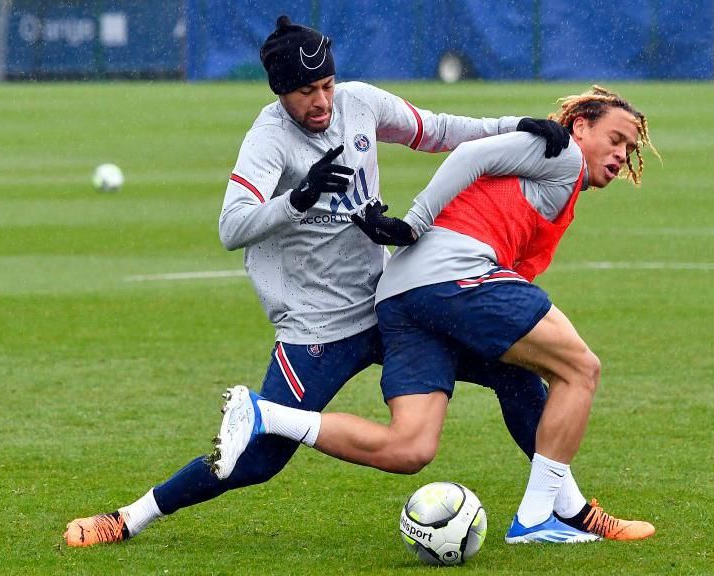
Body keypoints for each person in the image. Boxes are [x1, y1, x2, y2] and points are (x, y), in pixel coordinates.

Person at [63, 15, 572, 548]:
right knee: (257, 460)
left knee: (514, 373)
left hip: (390, 304)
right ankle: (127, 518)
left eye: (326, 85)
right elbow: (231, 226)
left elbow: (437, 130)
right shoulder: (269, 138)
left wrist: (516, 125)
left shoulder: (360, 103)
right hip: (316, 327)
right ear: (281, 90)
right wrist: (298, 199)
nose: (322, 101)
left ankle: (560, 510)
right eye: (307, 91)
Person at [213, 86, 660, 544]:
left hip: (402, 296)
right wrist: (413, 222)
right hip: (450, 276)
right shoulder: (561, 152)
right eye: (616, 138)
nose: (622, 154)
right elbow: (469, 154)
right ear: (581, 126)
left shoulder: (556, 183)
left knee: (411, 446)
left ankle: (267, 414)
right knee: (581, 368)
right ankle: (538, 518)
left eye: (629, 148)